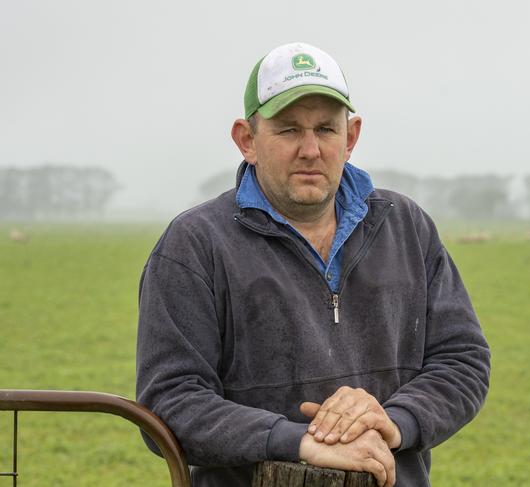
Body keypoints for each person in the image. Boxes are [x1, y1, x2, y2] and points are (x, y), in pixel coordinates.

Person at [136, 41, 490, 487]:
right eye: (287, 130)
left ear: (351, 137)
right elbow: (171, 400)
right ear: (247, 140)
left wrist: (391, 421)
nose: (310, 149)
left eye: (326, 129)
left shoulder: (406, 228)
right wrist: (301, 441)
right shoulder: (194, 245)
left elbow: (462, 359)